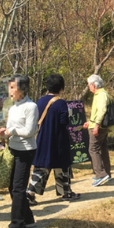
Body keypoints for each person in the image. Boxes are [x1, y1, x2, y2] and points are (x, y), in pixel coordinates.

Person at [27, 73, 80, 205]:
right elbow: (64, 121)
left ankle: (30, 194)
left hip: (43, 138)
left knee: (40, 167)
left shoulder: (40, 101)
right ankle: (66, 192)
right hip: (58, 139)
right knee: (62, 166)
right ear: (61, 88)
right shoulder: (61, 102)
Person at [0, 75, 38, 228]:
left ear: (23, 89)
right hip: (13, 149)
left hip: (26, 151)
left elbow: (30, 131)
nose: (10, 91)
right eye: (10, 87)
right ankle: (28, 218)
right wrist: (3, 135)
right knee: (13, 187)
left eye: (13, 87)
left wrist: (11, 132)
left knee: (19, 187)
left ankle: (17, 224)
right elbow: (10, 129)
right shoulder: (13, 108)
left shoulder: (31, 106)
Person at [83, 74, 112, 187]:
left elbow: (101, 111)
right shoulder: (101, 94)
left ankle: (100, 174)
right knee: (102, 148)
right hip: (100, 126)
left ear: (94, 85)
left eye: (89, 84)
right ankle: (106, 173)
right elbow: (97, 113)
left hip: (99, 127)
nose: (89, 87)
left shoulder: (101, 95)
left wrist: (95, 126)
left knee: (93, 149)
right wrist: (90, 122)